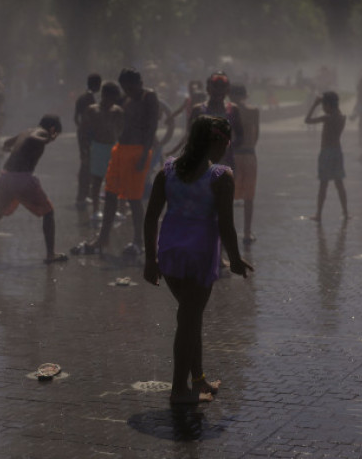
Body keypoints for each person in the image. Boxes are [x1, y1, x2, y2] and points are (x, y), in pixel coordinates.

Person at [144, 115, 253, 405]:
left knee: (190, 318)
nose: (225, 150)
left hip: (170, 255)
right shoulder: (220, 177)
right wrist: (236, 259)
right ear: (216, 142)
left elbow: (151, 216)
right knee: (188, 320)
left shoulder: (167, 171)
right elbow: (226, 226)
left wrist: (150, 260)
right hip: (199, 256)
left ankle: (198, 379)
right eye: (226, 143)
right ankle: (179, 390)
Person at [72, 67, 159, 255]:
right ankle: (103, 239)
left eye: (131, 88)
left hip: (137, 151)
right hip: (119, 150)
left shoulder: (148, 97)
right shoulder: (127, 99)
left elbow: (152, 127)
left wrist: (145, 155)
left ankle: (138, 241)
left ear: (139, 84)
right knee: (110, 193)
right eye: (125, 88)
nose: (128, 92)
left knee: (134, 199)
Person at [0, 114, 68, 264]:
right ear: (52, 128)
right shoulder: (42, 133)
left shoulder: (27, 131)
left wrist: (16, 150)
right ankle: (51, 254)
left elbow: (6, 143)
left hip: (6, 177)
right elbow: (35, 139)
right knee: (49, 212)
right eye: (55, 133)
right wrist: (49, 138)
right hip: (21, 179)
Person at [79, 81, 124, 222]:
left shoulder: (117, 111)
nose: (112, 101)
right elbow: (83, 131)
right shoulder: (92, 110)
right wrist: (84, 150)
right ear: (104, 95)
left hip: (114, 147)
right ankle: (96, 210)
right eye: (111, 98)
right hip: (97, 147)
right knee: (97, 180)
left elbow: (122, 130)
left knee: (114, 180)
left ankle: (113, 209)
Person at [304, 92, 349, 222]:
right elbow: (336, 110)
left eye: (323, 105)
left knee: (323, 185)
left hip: (326, 153)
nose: (323, 108)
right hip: (337, 152)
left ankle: (318, 214)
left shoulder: (327, 118)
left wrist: (314, 105)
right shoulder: (342, 117)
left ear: (328, 105)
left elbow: (307, 120)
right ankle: (345, 212)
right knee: (339, 184)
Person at [228, 83, 260, 244]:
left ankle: (227, 231)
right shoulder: (253, 111)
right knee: (249, 196)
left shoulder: (228, 110)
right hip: (249, 155)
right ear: (245, 95)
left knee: (227, 196)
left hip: (232, 155)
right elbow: (256, 135)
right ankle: (247, 232)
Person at [74, 73, 102, 208]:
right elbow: (93, 119)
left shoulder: (81, 97)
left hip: (82, 134)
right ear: (98, 84)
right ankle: (82, 196)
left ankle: (85, 194)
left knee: (86, 163)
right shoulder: (90, 98)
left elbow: (76, 118)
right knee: (86, 165)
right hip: (89, 136)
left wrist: (81, 130)